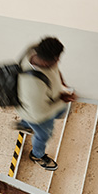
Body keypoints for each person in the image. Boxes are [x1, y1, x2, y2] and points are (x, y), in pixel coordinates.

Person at [13, 37, 76, 171]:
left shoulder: (34, 50)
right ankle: (37, 155)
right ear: (51, 59)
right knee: (44, 135)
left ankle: (24, 125)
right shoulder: (33, 86)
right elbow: (39, 113)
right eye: (57, 59)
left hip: (42, 102)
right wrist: (63, 100)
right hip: (37, 115)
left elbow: (55, 69)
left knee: (59, 113)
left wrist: (61, 83)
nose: (58, 62)